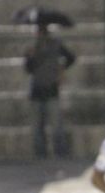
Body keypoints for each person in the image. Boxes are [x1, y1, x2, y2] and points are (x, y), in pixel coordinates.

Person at [24, 24, 76, 158]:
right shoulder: (33, 48)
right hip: (37, 90)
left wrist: (61, 68)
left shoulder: (56, 45)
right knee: (37, 127)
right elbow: (28, 68)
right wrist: (30, 56)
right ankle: (40, 154)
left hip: (52, 89)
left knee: (56, 125)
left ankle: (60, 153)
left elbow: (71, 58)